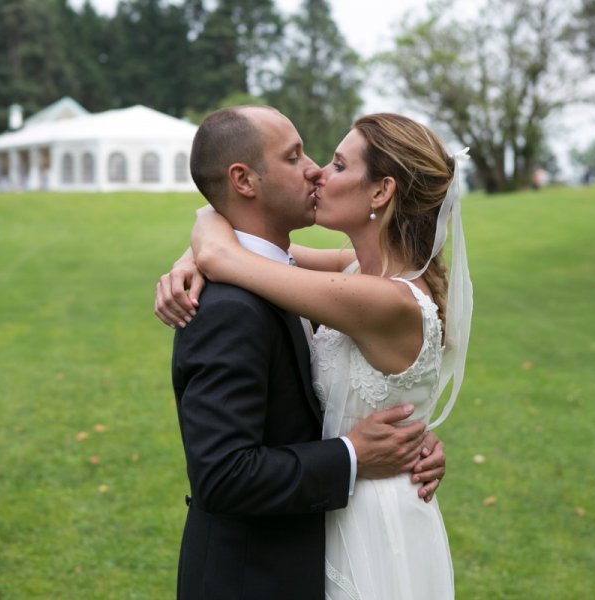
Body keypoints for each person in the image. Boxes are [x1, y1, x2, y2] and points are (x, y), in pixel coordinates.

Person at [158, 106, 449, 600]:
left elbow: (229, 255)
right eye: (299, 157)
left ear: (381, 192)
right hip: (315, 527)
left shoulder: (379, 297)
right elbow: (246, 254)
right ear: (245, 179)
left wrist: (207, 231)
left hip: (368, 524)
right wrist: (210, 222)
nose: (317, 170)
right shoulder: (350, 272)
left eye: (337, 164)